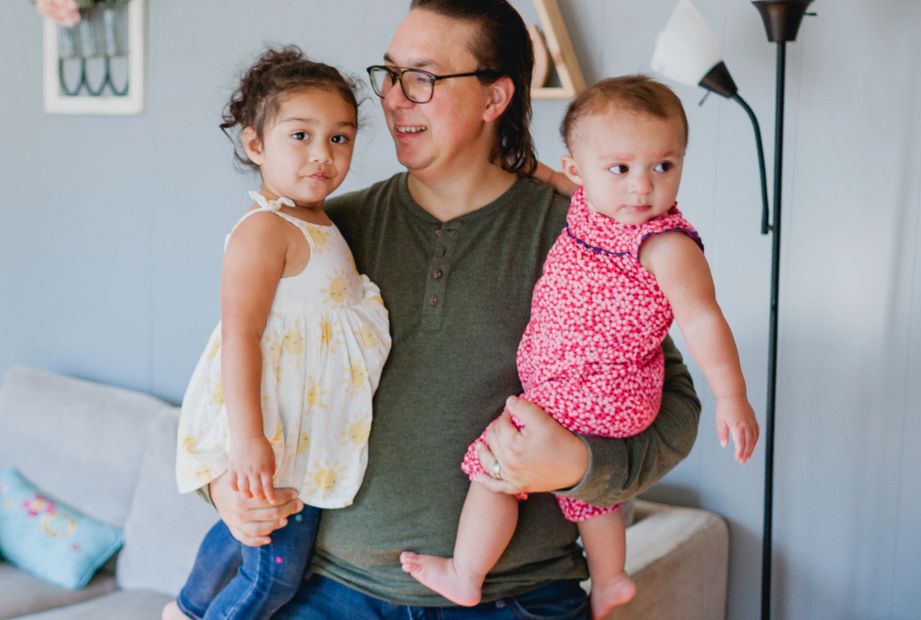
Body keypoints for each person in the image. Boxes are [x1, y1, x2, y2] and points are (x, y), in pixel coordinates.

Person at [207, 2, 703, 618]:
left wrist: (582, 464)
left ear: (495, 98)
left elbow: (675, 404)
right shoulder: (326, 231)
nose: (391, 99)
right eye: (389, 75)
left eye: (422, 78)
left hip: (517, 599)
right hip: (328, 591)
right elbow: (232, 373)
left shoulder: (584, 235)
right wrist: (222, 487)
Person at [399, 75, 760, 618]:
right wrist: (524, 166)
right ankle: (611, 579)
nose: (643, 187)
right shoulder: (593, 206)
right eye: (621, 168)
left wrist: (732, 395)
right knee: (593, 498)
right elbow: (553, 176)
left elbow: (703, 319)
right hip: (587, 390)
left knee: (495, 469)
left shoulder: (663, 242)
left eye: (664, 166)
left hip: (596, 388)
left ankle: (465, 573)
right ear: (579, 171)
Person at [165, 46, 391, 620]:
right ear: (255, 144)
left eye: (340, 138)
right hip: (275, 431)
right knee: (274, 577)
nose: (323, 154)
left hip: (306, 424)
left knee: (248, 539)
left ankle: (186, 609)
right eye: (300, 136)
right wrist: (249, 439)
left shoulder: (321, 219)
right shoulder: (266, 229)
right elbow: (240, 334)